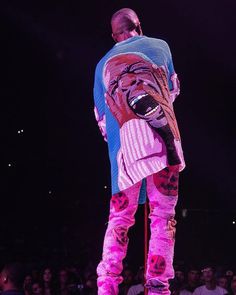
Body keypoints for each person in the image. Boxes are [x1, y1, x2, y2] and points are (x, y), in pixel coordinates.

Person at [93, 7, 185, 295]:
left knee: (120, 219)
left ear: (113, 35)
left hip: (125, 155)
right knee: (162, 217)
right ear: (139, 26)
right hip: (164, 142)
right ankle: (158, 288)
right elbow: (172, 91)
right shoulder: (161, 47)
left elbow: (102, 120)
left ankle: (107, 288)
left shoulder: (101, 66)